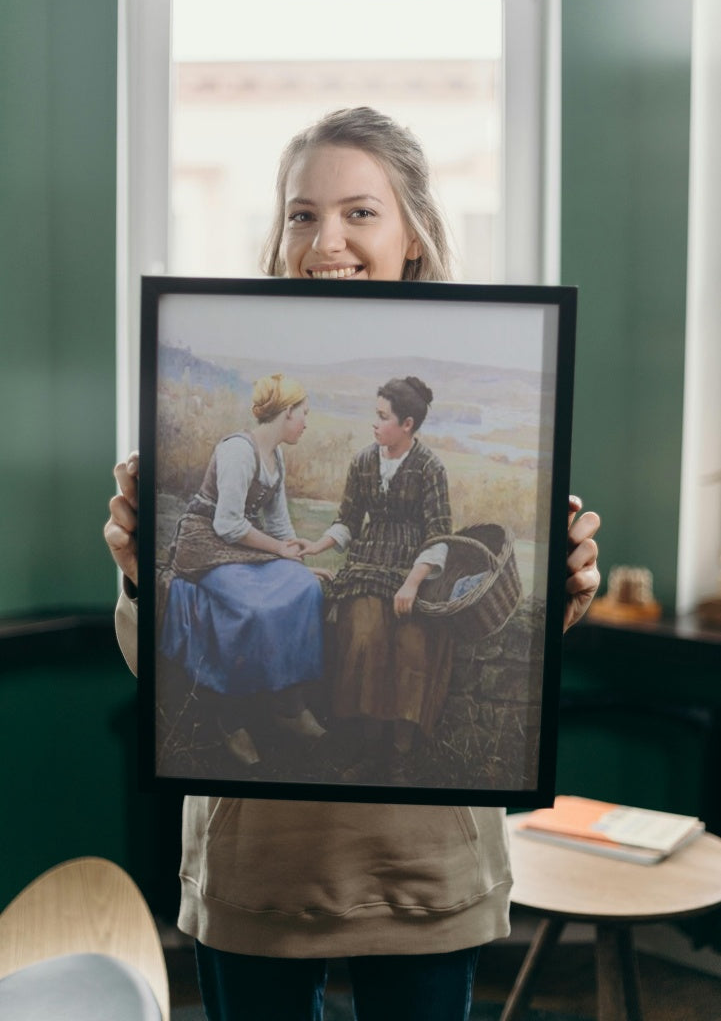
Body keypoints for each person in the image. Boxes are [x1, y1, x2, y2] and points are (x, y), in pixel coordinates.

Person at [105, 106, 601, 1021]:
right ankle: (303, 706)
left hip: (423, 870)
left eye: (359, 212)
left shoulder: (483, 385)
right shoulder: (261, 442)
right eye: (301, 213)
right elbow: (157, 660)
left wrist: (566, 593)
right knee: (337, 607)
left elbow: (452, 555)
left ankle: (375, 724)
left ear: (413, 233)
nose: (324, 238)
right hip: (258, 868)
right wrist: (140, 574)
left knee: (365, 613)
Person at [158, 373, 327, 768]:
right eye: (304, 414)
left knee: (306, 588)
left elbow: (280, 524)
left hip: (241, 545)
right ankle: (229, 719)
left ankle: (289, 707)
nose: (306, 422)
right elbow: (228, 525)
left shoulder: (276, 455)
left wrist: (297, 561)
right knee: (253, 609)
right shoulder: (238, 451)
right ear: (287, 413)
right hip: (204, 546)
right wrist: (278, 550)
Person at [298, 374, 454, 768]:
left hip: (412, 567)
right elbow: (348, 520)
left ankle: (401, 748)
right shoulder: (363, 461)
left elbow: (439, 536)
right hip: (368, 564)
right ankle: (367, 741)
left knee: (413, 641)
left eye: (384, 417)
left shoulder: (430, 468)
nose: (375, 423)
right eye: (376, 415)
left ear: (408, 425)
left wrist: (412, 584)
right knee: (365, 635)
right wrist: (318, 545)